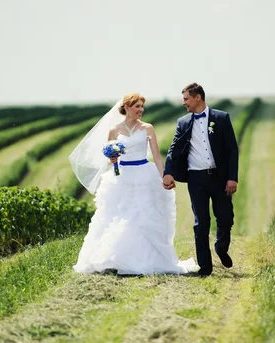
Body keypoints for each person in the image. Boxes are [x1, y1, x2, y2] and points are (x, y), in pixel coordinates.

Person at [69, 93, 198, 275]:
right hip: (121, 177)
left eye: (142, 107)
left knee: (142, 217)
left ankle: (143, 260)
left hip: (144, 174)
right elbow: (108, 160)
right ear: (127, 108)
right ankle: (114, 258)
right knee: (118, 216)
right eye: (137, 106)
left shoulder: (147, 128)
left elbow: (157, 155)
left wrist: (164, 176)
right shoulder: (114, 130)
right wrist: (112, 159)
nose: (141, 110)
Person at [163, 83, 239, 276]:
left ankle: (221, 248)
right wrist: (168, 172)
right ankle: (205, 268)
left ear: (198, 97)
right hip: (196, 179)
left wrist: (232, 178)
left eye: (186, 99)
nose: (184, 103)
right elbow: (173, 149)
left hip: (220, 178)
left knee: (225, 218)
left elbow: (232, 150)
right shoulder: (183, 122)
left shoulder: (221, 118)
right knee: (201, 223)